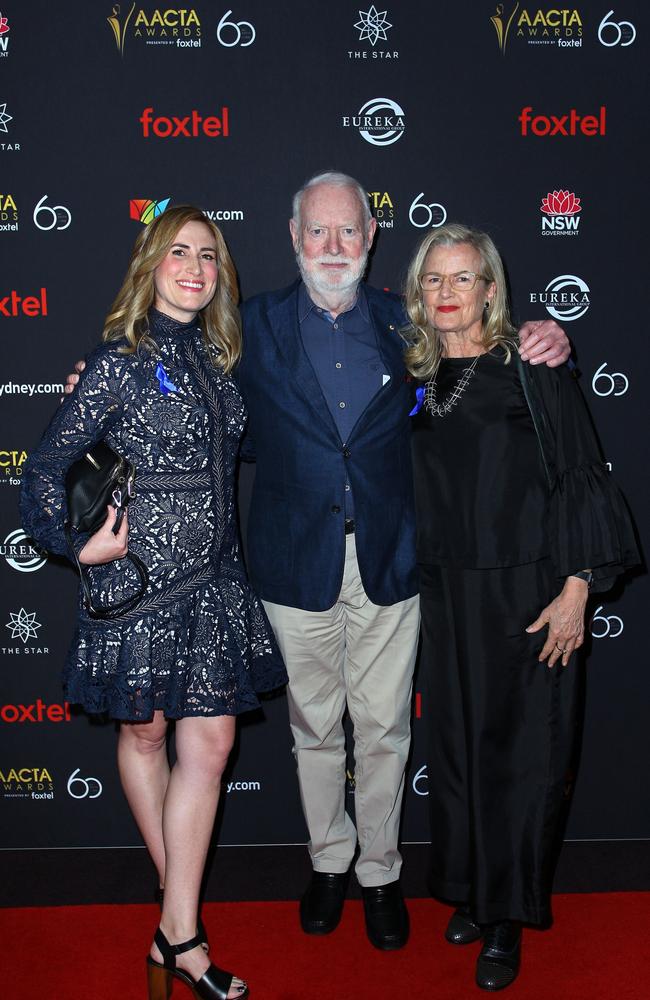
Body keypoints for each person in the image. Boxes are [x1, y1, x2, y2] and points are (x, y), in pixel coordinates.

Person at [65, 173, 570, 951]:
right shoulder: (247, 328)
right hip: (290, 563)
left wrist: (546, 335)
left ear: (371, 241)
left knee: (385, 731)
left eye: (348, 232)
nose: (333, 247)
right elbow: (159, 375)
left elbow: (481, 352)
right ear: (294, 239)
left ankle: (379, 872)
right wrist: (87, 385)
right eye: (317, 232)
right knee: (312, 732)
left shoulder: (409, 326)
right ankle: (328, 863)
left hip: (392, 560)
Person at [21, 205, 287, 1000]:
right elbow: (42, 470)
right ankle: (181, 928)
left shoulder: (219, 362)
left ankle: (180, 934)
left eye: (208, 256)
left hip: (213, 586)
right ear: (150, 264)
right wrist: (75, 544)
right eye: (179, 252)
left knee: (209, 748)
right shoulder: (119, 362)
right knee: (145, 735)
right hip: (136, 587)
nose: (195, 267)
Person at [405, 223, 639, 989]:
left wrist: (577, 590)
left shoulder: (532, 368)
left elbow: (581, 474)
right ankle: (475, 889)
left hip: (529, 594)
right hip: (446, 594)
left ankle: (508, 917)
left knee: (521, 759)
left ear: (491, 289)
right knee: (463, 754)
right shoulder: (415, 374)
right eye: (434, 278)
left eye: (463, 278)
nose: (448, 293)